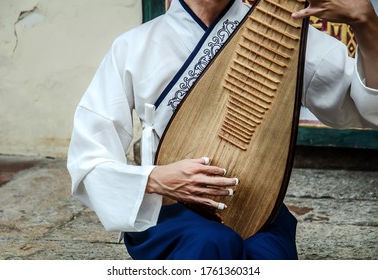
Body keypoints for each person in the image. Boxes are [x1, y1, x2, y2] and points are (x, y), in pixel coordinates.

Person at [67, 0, 378, 259]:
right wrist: (155, 179)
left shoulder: (281, 31)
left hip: (254, 208)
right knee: (211, 243)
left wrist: (366, 24)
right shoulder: (133, 47)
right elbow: (89, 158)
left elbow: (366, 107)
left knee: (266, 253)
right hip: (168, 212)